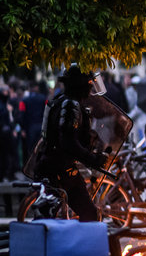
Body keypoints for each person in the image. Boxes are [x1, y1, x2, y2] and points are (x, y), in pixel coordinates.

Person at [33, 64, 110, 221]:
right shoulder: (70, 105)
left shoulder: (60, 101)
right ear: (80, 84)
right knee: (49, 220)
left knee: (89, 214)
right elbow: (68, 142)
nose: (91, 88)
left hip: (61, 169)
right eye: (89, 83)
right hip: (57, 172)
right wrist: (92, 159)